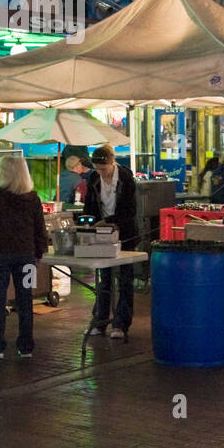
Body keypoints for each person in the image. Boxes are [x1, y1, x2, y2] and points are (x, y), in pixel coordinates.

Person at [0, 155, 49, 359]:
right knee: (25, 299)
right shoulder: (33, 198)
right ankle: (26, 346)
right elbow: (40, 230)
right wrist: (38, 254)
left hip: (0, 256)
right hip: (26, 256)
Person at [83, 144, 137, 340]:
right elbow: (89, 206)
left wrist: (110, 221)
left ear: (112, 162)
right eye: (97, 169)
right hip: (101, 233)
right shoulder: (93, 179)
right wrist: (88, 222)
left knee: (124, 279)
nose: (100, 173)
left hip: (125, 233)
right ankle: (100, 321)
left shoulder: (126, 179)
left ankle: (121, 323)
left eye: (103, 169)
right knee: (103, 278)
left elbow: (130, 211)